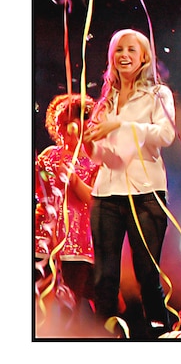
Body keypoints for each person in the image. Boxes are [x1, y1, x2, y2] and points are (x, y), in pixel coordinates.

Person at [83, 29, 176, 338]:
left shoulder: (158, 94)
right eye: (118, 50)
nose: (124, 55)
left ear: (144, 56)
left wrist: (122, 123)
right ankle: (104, 337)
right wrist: (89, 145)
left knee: (147, 274)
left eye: (131, 50)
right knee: (104, 277)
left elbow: (166, 135)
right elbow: (102, 156)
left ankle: (160, 334)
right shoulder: (105, 101)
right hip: (106, 194)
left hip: (145, 193)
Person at [35, 93, 100, 336]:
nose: (65, 130)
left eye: (71, 123)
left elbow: (95, 200)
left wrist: (73, 179)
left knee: (71, 302)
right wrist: (41, 174)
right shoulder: (49, 156)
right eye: (61, 125)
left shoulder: (97, 162)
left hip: (78, 247)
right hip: (45, 242)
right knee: (41, 298)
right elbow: (40, 189)